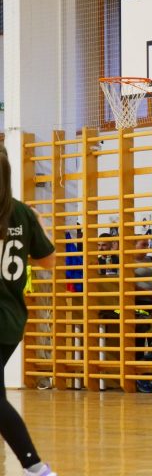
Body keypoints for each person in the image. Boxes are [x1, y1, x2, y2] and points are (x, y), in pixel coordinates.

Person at [0, 146, 60, 475]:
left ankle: (36, 468)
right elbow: (48, 261)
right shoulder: (22, 213)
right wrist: (40, 224)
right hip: (11, 320)